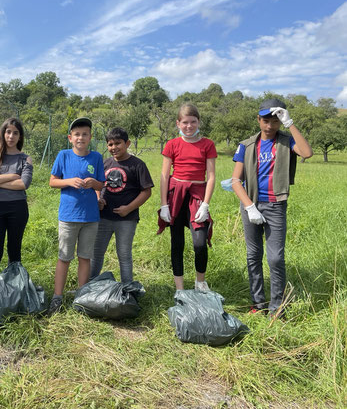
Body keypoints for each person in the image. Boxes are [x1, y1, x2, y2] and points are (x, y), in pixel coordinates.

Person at [231, 98, 312, 318]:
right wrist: (249, 207)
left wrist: (290, 123)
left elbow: (306, 153)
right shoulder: (246, 145)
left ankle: (278, 308)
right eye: (266, 120)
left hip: (276, 205)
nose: (270, 125)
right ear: (258, 120)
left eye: (275, 121)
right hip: (251, 206)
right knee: (253, 256)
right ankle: (258, 304)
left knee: (275, 258)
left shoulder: (286, 141)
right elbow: (235, 181)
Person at [47, 117, 105, 315]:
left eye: (85, 134)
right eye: (77, 134)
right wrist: (69, 181)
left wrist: (93, 184)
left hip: (90, 217)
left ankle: (81, 297)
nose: (81, 137)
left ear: (90, 137)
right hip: (68, 216)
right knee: (64, 257)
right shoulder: (63, 156)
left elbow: (101, 184)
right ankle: (57, 297)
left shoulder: (96, 157)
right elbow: (53, 182)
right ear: (70, 138)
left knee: (84, 257)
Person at [158, 103, 217, 291]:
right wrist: (164, 205)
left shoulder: (207, 144)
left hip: (197, 196)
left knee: (199, 243)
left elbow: (212, 176)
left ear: (198, 122)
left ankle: (200, 283)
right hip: (176, 197)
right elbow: (164, 176)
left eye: (193, 122)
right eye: (185, 122)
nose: (189, 126)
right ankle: (180, 289)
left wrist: (205, 204)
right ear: (178, 123)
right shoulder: (172, 144)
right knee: (177, 243)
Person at [90, 127, 153, 283]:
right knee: (96, 253)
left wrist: (128, 208)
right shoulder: (104, 163)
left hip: (127, 219)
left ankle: (127, 288)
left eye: (118, 143)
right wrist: (98, 199)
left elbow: (146, 192)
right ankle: (89, 286)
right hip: (103, 217)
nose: (113, 148)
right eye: (110, 144)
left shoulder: (137, 165)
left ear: (127, 143)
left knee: (124, 254)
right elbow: (98, 185)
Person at [0, 118, 33, 288]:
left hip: (18, 209)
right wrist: (11, 176)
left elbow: (23, 184)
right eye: (8, 131)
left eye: (15, 133)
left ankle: (13, 288)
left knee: (14, 251)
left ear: (20, 136)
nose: (11, 136)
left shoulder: (26, 159)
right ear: (3, 134)